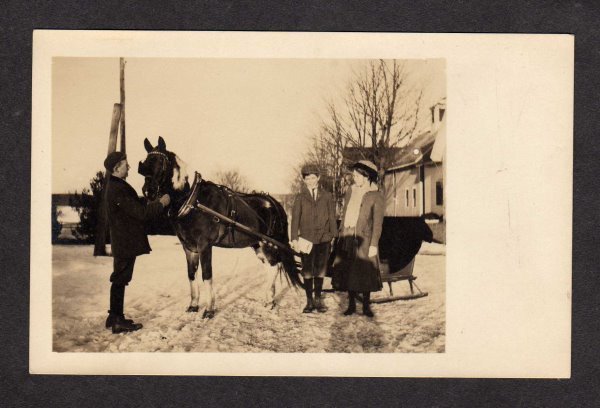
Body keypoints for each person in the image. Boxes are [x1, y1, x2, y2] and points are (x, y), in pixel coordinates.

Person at [103, 151, 171, 333]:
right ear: (117, 168)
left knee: (119, 277)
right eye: (126, 164)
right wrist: (162, 203)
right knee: (121, 278)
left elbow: (133, 205)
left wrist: (149, 201)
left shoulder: (116, 185)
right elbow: (141, 214)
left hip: (124, 240)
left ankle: (114, 316)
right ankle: (117, 320)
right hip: (126, 241)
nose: (129, 167)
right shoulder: (118, 188)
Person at [332, 160, 384, 317]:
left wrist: (374, 243)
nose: (354, 177)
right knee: (348, 271)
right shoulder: (351, 191)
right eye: (354, 174)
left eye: (357, 175)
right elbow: (344, 213)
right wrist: (340, 234)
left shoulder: (375, 195)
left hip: (364, 239)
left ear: (366, 176)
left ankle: (366, 306)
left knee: (365, 271)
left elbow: (377, 223)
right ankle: (352, 305)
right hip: (348, 235)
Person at [290, 164, 338, 313]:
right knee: (308, 271)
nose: (310, 181)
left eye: (313, 177)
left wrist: (333, 236)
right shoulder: (300, 197)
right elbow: (295, 219)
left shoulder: (327, 196)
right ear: (304, 180)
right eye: (307, 178)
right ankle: (309, 302)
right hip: (306, 240)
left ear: (318, 178)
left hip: (324, 239)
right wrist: (294, 239)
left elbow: (332, 217)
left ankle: (318, 300)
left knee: (320, 270)